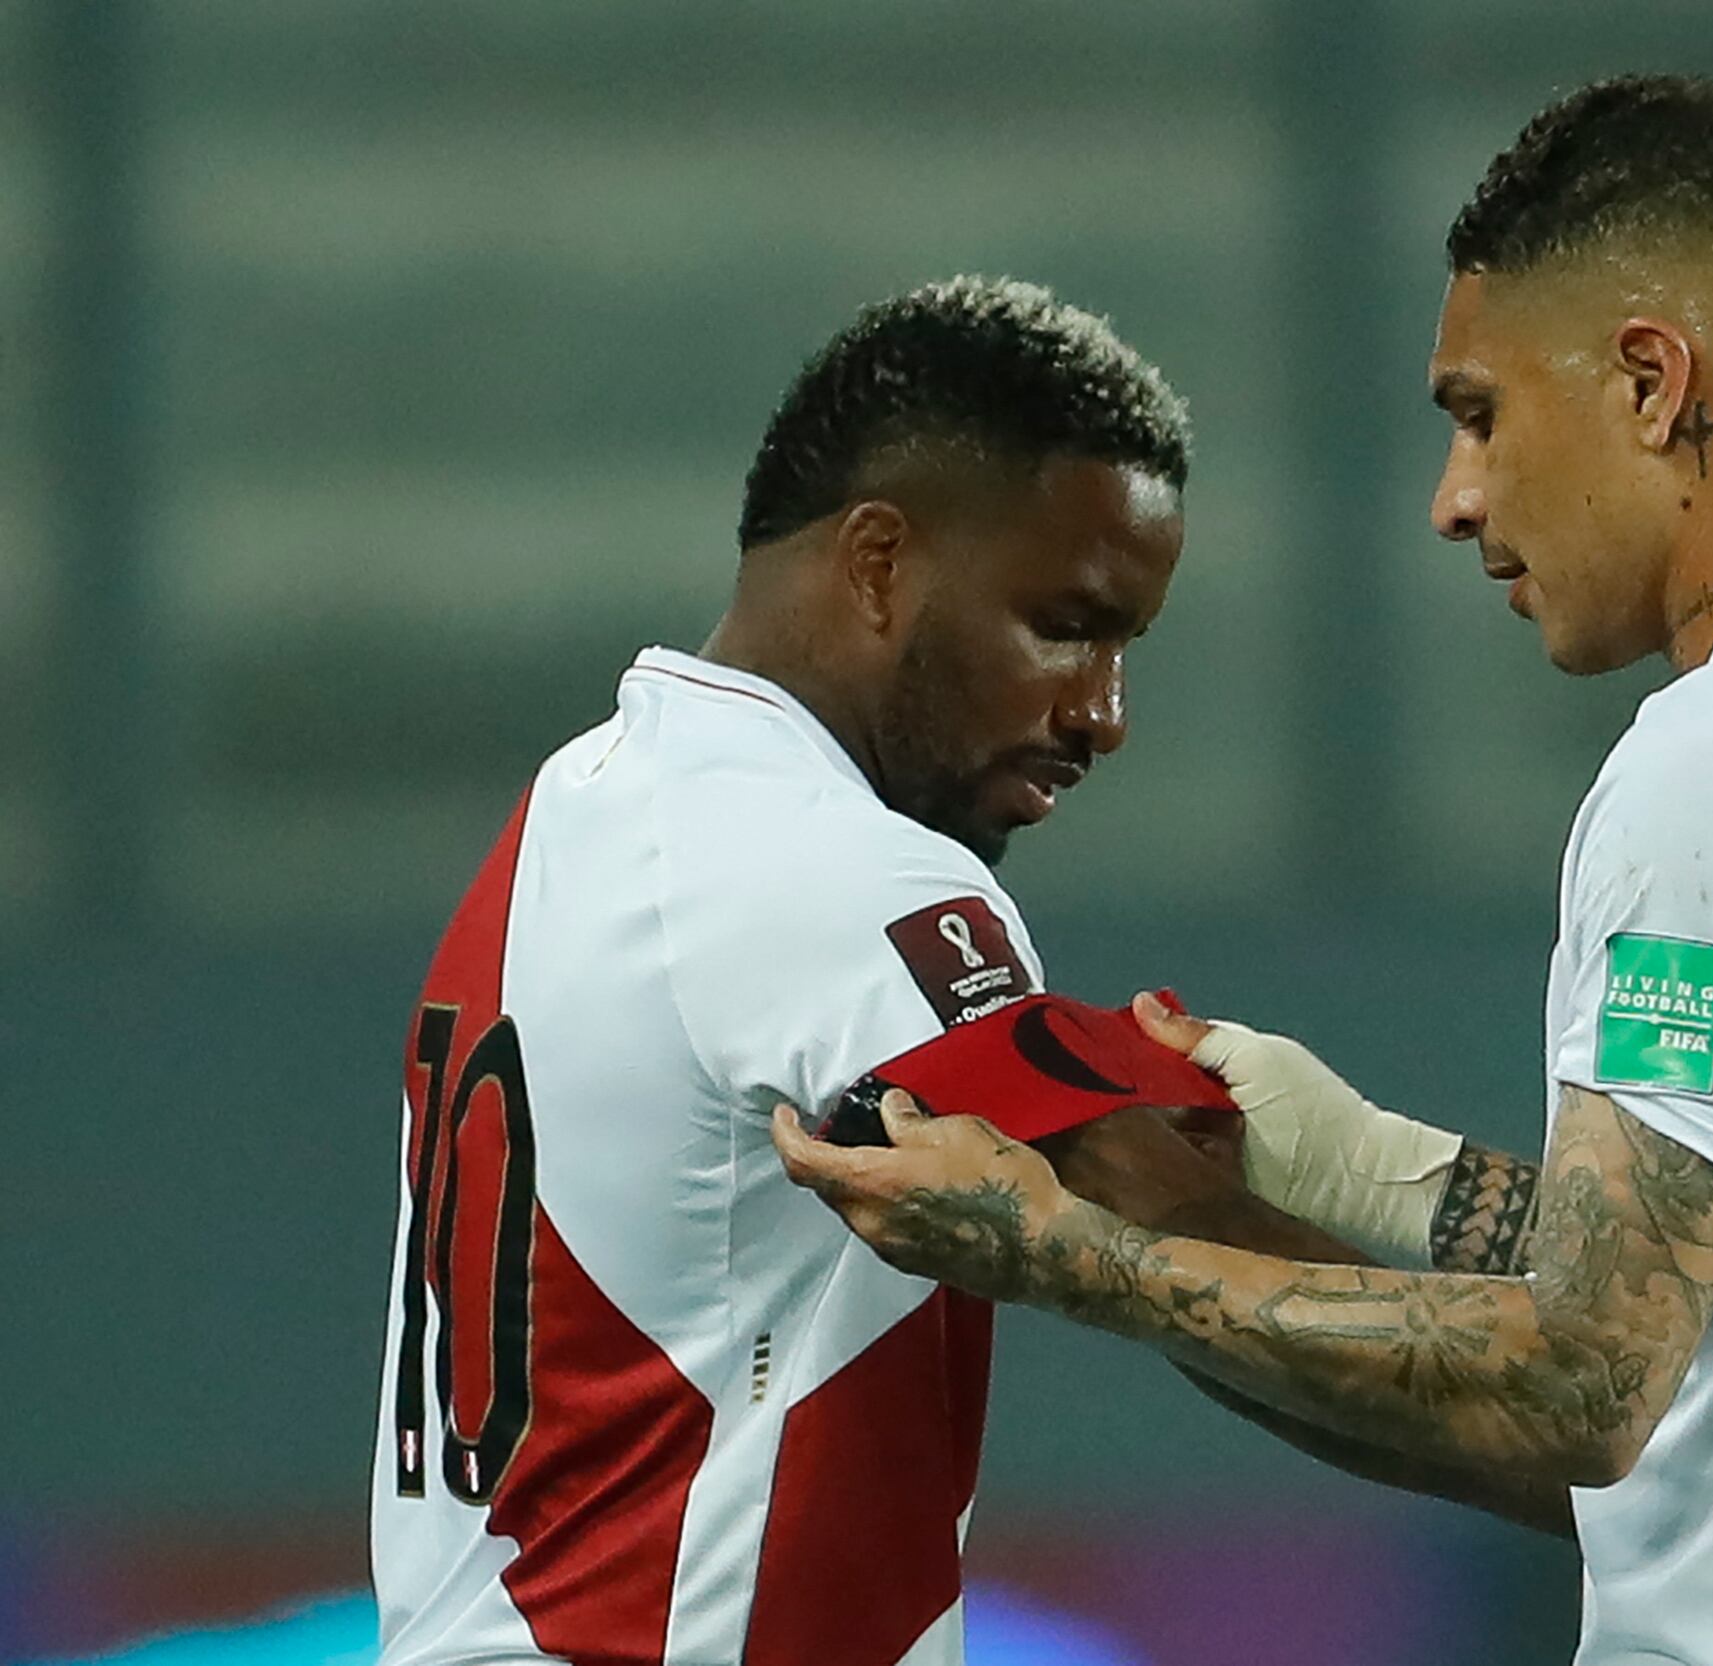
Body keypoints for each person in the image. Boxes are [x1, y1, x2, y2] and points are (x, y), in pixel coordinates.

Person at [772, 77, 1713, 1664]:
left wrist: (1064, 1257)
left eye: (1481, 413)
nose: (1456, 499)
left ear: (1652, 381)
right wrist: (1354, 1157)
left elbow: (1581, 1386)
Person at [369, 276, 1299, 1666]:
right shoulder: (846, 867)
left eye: (1123, 646)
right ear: (877, 564)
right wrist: (1602, 1423)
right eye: (1064, 622)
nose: (1102, 711)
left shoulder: (575, 806)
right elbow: (1207, 1271)